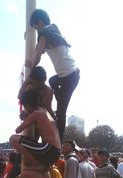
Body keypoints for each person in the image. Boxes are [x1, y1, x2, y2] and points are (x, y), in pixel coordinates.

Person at [28, 9, 80, 140]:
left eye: (35, 28)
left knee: (61, 113)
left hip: (69, 78)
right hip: (68, 75)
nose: (36, 31)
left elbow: (38, 56)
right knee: (52, 81)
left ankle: (59, 143)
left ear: (39, 23)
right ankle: (60, 99)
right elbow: (44, 49)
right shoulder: (54, 30)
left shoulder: (44, 33)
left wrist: (30, 68)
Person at [10, 90, 61, 168]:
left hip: (48, 149)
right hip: (56, 150)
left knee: (12, 139)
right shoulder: (45, 111)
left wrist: (25, 118)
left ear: (26, 105)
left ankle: (36, 163)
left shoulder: (36, 114)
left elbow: (18, 130)